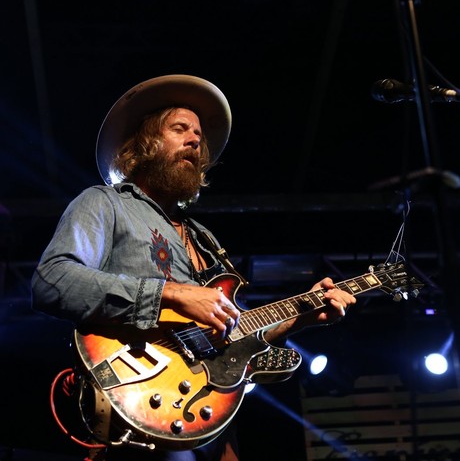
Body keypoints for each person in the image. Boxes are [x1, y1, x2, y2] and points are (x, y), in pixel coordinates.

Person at [31, 74, 357, 461]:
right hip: (142, 396)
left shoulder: (204, 238)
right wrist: (171, 293)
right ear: (145, 144)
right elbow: (51, 281)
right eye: (179, 129)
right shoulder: (105, 203)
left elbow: (232, 332)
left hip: (209, 411)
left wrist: (299, 318)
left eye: (198, 134)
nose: (195, 140)